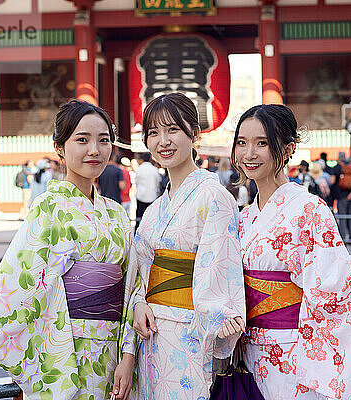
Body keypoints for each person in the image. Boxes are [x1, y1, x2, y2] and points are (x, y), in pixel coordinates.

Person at [0, 100, 137, 400]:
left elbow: (130, 288)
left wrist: (128, 355)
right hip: (66, 343)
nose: (94, 150)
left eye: (104, 140)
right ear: (59, 147)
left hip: (111, 347)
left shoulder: (116, 214)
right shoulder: (49, 207)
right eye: (82, 140)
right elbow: (22, 275)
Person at [231, 104, 351, 400]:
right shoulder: (243, 216)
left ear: (288, 148)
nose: (248, 153)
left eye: (262, 143)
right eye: (242, 143)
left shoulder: (309, 209)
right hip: (247, 350)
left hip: (291, 348)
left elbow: (329, 282)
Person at [132, 92, 246, 400]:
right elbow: (141, 268)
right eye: (153, 133)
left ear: (193, 133)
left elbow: (219, 264)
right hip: (151, 331)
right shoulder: (155, 208)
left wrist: (217, 317)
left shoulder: (214, 195)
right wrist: (139, 303)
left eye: (172, 130)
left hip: (190, 332)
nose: (163, 141)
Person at [329, 152, 351, 241]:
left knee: (342, 217)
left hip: (341, 196)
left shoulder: (336, 167)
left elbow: (332, 181)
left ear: (338, 158)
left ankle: (343, 239)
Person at [134, 152, 161, 229]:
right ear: (150, 159)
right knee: (150, 218)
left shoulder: (139, 169)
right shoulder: (155, 169)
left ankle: (137, 231)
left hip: (141, 195)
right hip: (152, 196)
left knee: (139, 215)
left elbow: (136, 182)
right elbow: (158, 182)